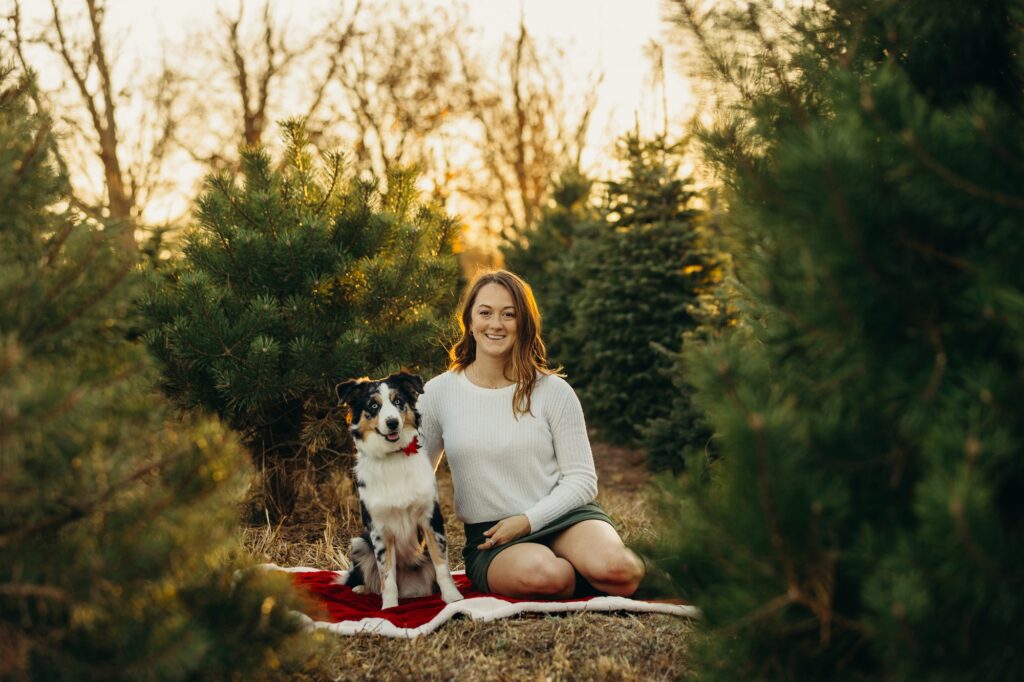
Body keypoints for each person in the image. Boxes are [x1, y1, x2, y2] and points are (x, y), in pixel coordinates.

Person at [418, 269, 646, 598]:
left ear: (524, 323)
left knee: (620, 570)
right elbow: (414, 476)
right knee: (548, 577)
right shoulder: (439, 393)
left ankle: (597, 568)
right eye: (485, 313)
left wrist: (528, 520)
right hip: (493, 536)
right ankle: (579, 572)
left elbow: (582, 480)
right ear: (469, 320)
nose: (495, 324)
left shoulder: (554, 391)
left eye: (509, 314)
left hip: (567, 518)